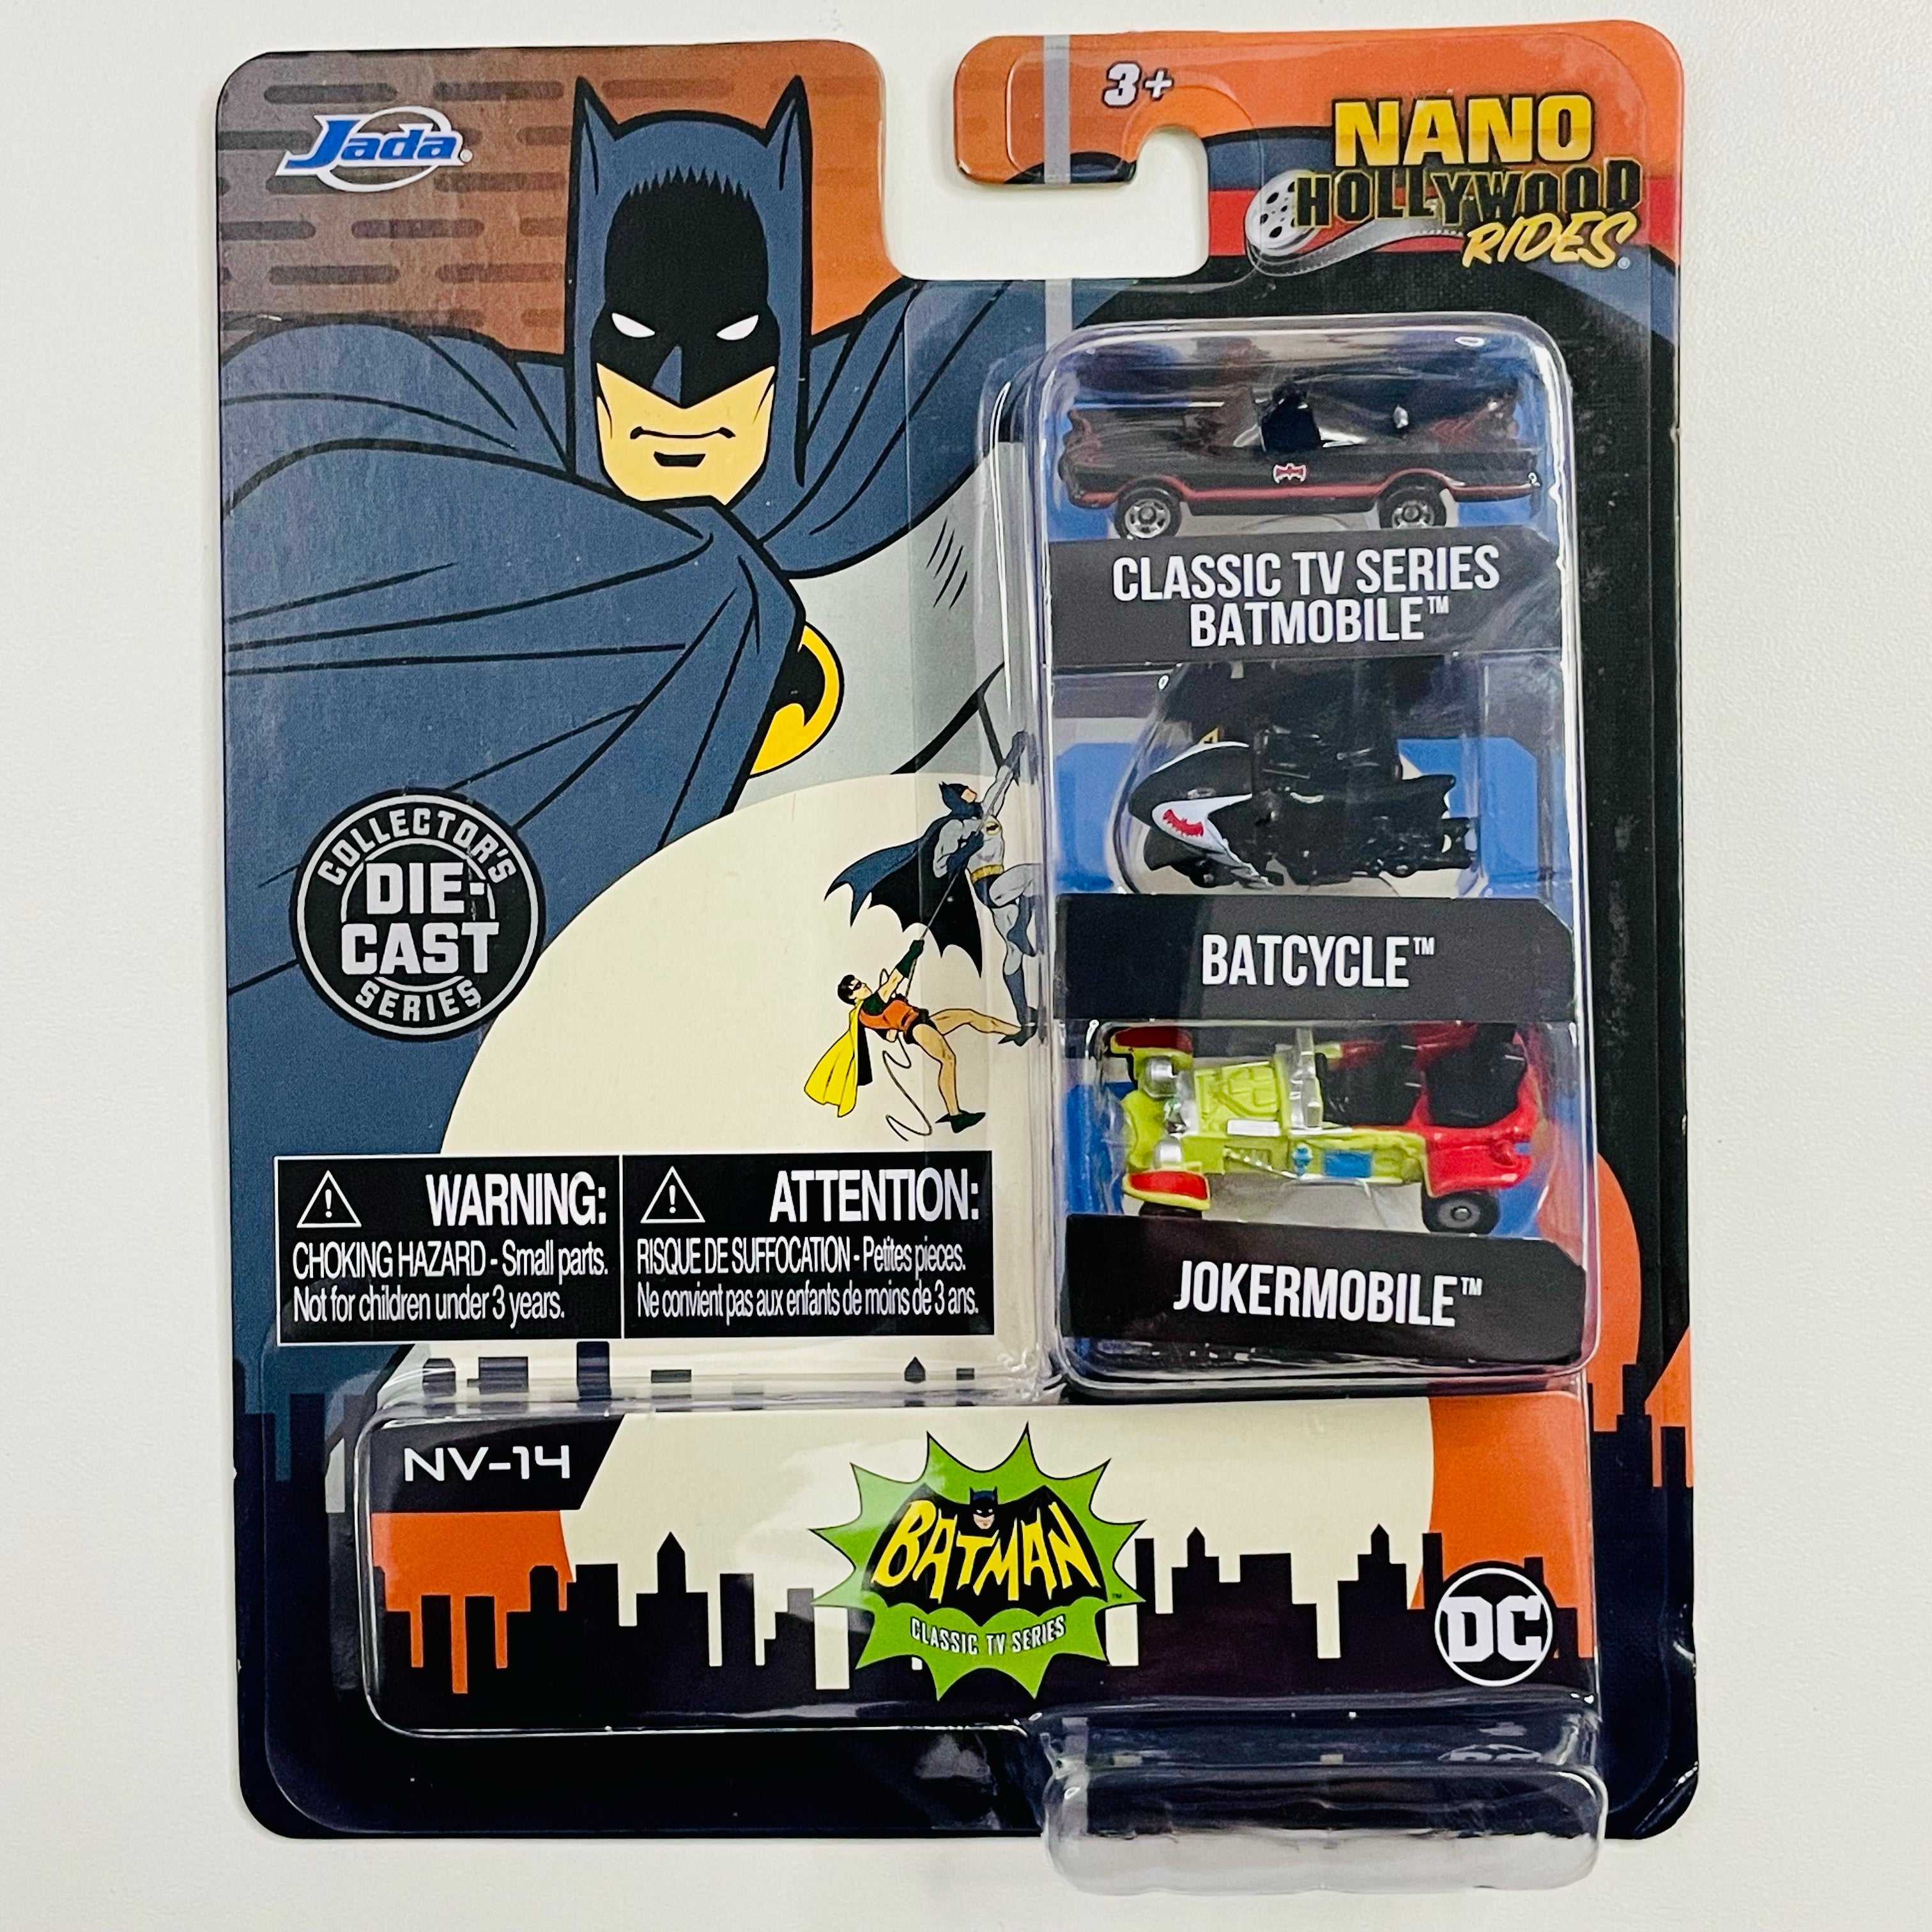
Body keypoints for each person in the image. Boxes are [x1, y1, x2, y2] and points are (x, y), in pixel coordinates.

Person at [836, 941, 1015, 1131]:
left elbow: (890, 1037)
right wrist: (912, 953)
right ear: (852, 997)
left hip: (922, 1021)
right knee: (948, 1059)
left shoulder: (864, 1016)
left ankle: (1016, 1032)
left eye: (860, 982)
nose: (864, 985)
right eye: (857, 986)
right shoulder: (869, 1005)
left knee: (968, 1015)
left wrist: (895, 1010)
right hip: (916, 1027)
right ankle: (956, 1116)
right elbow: (893, 981)